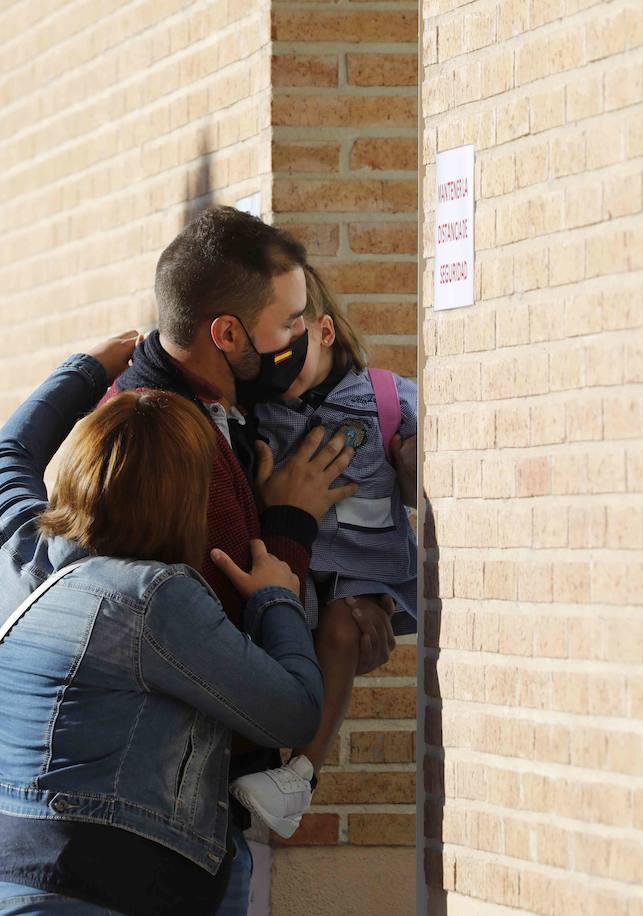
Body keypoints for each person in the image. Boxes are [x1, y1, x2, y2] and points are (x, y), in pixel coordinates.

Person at [0, 333, 327, 916]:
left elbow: (6, 457)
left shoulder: (11, 551)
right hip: (91, 896)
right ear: (184, 502)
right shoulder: (154, 601)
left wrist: (88, 368)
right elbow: (293, 709)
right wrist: (276, 597)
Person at [103, 207, 398, 913]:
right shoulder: (167, 442)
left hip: (180, 808)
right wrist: (290, 525)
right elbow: (228, 634)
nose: (305, 336)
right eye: (289, 323)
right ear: (227, 334)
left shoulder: (212, 413)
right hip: (170, 825)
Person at [229, 266, 418, 838]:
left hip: (365, 574)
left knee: (340, 634)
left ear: (325, 333)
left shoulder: (386, 398)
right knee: (283, 642)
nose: (278, 374)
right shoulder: (261, 412)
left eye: (291, 352)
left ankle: (300, 776)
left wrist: (413, 459)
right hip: (297, 566)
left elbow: (432, 469)